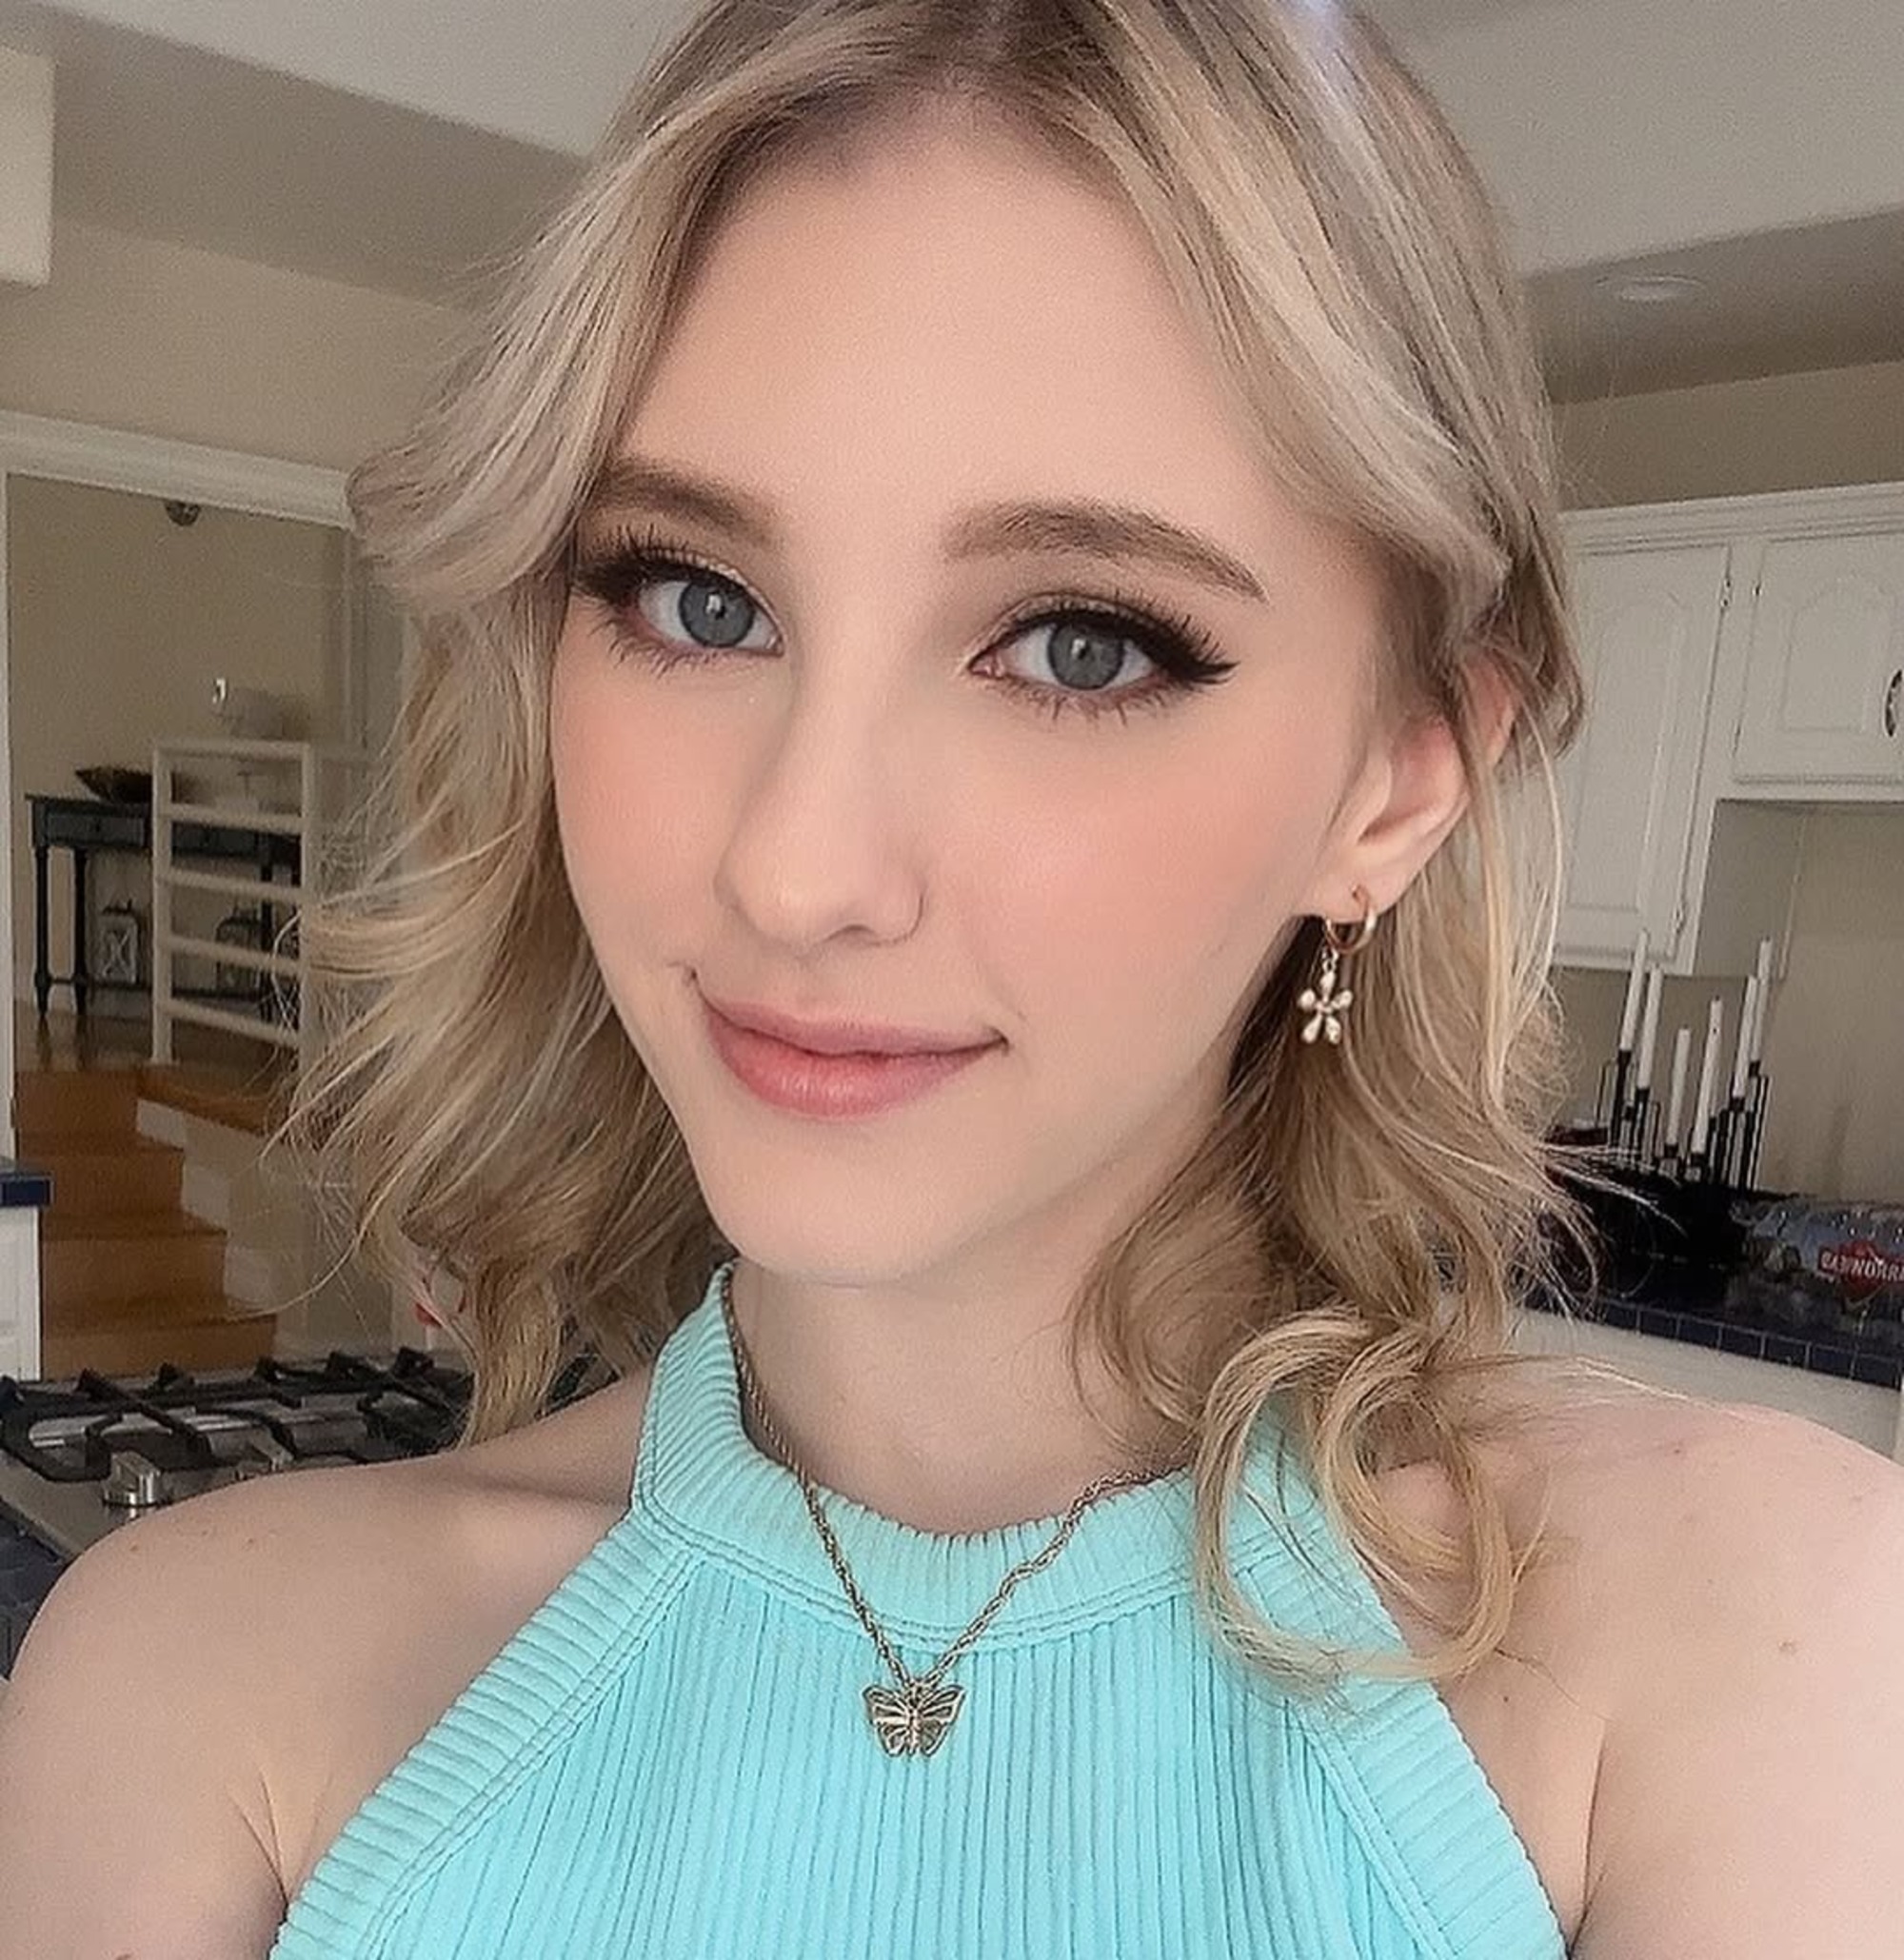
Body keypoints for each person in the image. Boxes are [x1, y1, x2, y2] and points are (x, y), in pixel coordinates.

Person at [3, 1, 1902, 1953]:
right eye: (697, 599)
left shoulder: (1753, 1637)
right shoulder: (194, 1691)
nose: (796, 865)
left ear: (1395, 783)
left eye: (1080, 645)